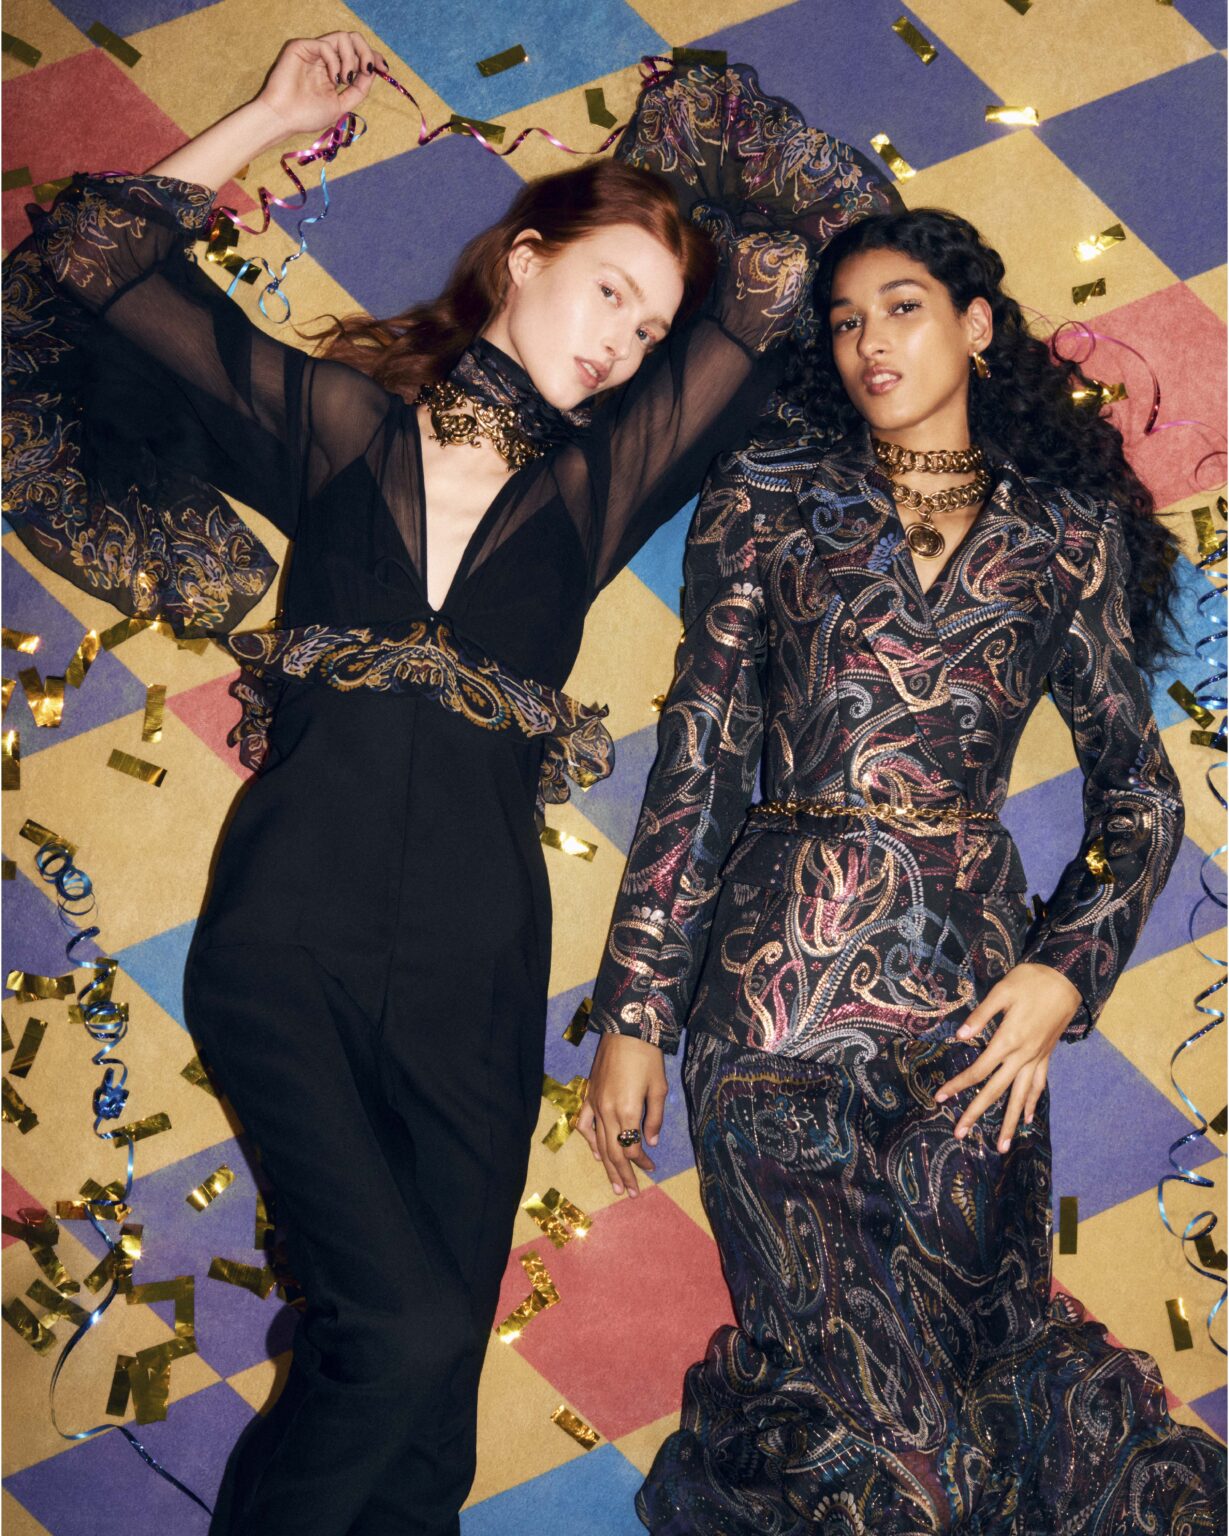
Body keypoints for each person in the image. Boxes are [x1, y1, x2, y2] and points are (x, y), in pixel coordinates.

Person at [2, 32, 901, 1536]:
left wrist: (678, 222)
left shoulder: (596, 490)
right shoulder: (333, 433)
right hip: (287, 943)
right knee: (404, 1331)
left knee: (424, 1428)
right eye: (607, 292)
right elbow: (92, 262)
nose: (625, 343)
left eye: (650, 327)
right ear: (521, 260)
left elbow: (785, 272)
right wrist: (268, 115)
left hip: (476, 967)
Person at [579, 207, 1227, 1533]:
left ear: (976, 325)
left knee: (975, 1410)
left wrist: (1065, 972)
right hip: (772, 1017)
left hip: (973, 1032)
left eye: (902, 307)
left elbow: (1137, 793)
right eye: (843, 322)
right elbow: (699, 762)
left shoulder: (1065, 532)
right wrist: (638, 1009)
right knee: (881, 1453)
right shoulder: (767, 496)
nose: (868, 340)